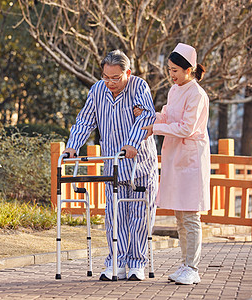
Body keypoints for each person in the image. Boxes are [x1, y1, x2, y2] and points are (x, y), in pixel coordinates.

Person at [63, 50, 159, 281]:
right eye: (106, 77)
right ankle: (116, 261)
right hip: (112, 164)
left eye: (115, 78)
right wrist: (73, 146)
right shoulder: (98, 90)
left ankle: (136, 263)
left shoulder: (139, 87)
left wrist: (132, 143)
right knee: (114, 215)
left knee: (139, 214)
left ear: (127, 73)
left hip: (139, 164)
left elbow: (146, 117)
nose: (110, 83)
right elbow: (85, 120)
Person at [140, 43, 210, 285]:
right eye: (170, 70)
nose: (172, 75)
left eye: (176, 70)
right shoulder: (174, 90)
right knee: (180, 217)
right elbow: (168, 116)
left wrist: (155, 128)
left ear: (189, 70)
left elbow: (186, 128)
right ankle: (184, 264)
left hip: (191, 160)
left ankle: (193, 267)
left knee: (191, 216)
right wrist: (147, 115)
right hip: (176, 159)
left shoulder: (197, 94)